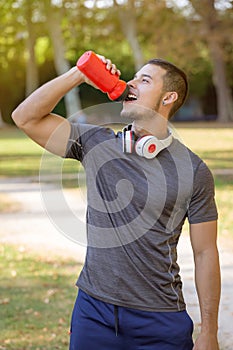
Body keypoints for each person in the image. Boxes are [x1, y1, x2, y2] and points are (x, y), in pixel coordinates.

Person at [12, 53, 221, 350]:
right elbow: (25, 117)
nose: (130, 83)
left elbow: (204, 253)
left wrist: (209, 331)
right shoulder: (96, 143)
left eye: (144, 80)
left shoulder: (194, 171)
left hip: (161, 321)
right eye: (134, 76)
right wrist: (79, 75)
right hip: (93, 313)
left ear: (168, 97)